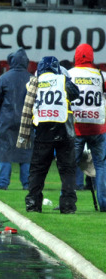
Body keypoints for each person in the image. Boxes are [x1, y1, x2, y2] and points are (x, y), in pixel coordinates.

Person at [17, 56, 80, 214]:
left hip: (43, 131)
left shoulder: (34, 82)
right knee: (67, 171)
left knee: (38, 170)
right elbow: (75, 94)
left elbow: (25, 104)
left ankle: (33, 203)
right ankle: (68, 206)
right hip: (64, 130)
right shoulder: (63, 80)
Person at [68, 43, 106, 210]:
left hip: (75, 127)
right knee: (101, 165)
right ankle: (104, 203)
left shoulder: (68, 75)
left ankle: (67, 201)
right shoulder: (101, 75)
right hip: (98, 127)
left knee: (69, 164)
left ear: (76, 56)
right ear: (92, 56)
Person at [0, 48, 33, 190]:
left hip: (7, 121)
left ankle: (3, 183)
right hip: (26, 122)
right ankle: (27, 184)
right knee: (25, 152)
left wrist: (0, 116)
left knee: (5, 151)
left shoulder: (3, 78)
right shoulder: (33, 79)